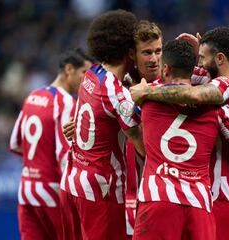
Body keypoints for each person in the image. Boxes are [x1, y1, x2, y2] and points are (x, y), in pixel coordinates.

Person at [130, 26, 229, 240]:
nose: (199, 63)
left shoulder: (151, 98)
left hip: (217, 196)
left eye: (202, 58)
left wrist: (145, 90)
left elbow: (193, 94)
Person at [59, 10, 144, 240]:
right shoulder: (118, 96)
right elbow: (143, 148)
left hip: (71, 183)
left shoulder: (91, 74)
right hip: (99, 191)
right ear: (129, 53)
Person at [9, 48, 92, 240]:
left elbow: (15, 143)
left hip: (27, 190)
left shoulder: (33, 96)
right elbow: (64, 156)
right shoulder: (66, 103)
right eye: (83, 74)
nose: (86, 81)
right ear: (69, 69)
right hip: (52, 192)